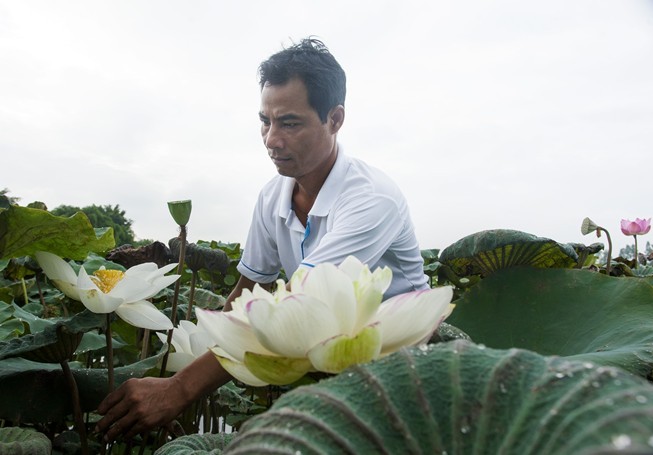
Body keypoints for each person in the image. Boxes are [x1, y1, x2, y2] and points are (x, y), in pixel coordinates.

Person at [95, 37, 429, 442]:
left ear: (335, 119)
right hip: (324, 359)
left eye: (289, 123)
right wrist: (179, 371)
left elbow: (298, 304)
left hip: (403, 367)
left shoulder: (371, 199)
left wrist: (179, 390)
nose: (271, 139)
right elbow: (249, 291)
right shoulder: (273, 196)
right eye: (264, 121)